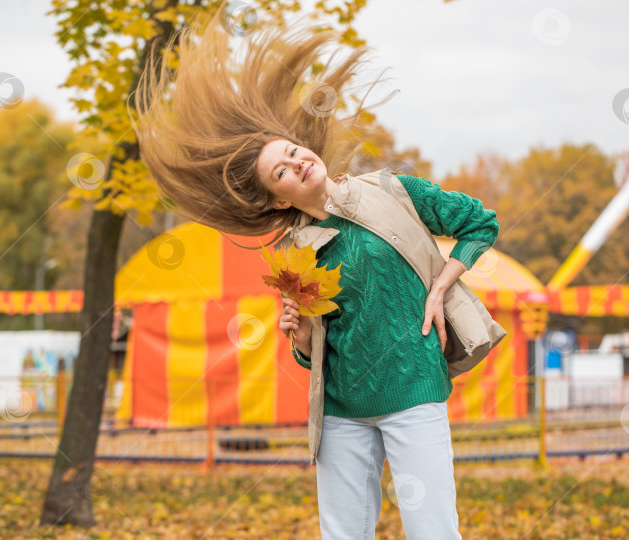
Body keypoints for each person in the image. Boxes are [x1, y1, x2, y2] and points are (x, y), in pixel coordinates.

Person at [131, 8, 500, 539]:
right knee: (343, 535)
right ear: (275, 197)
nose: (298, 162)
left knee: (433, 530)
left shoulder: (393, 191)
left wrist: (442, 282)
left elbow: (479, 223)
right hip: (340, 409)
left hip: (413, 389)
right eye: (282, 171)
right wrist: (299, 335)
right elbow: (313, 350)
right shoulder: (295, 253)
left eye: (292, 152)